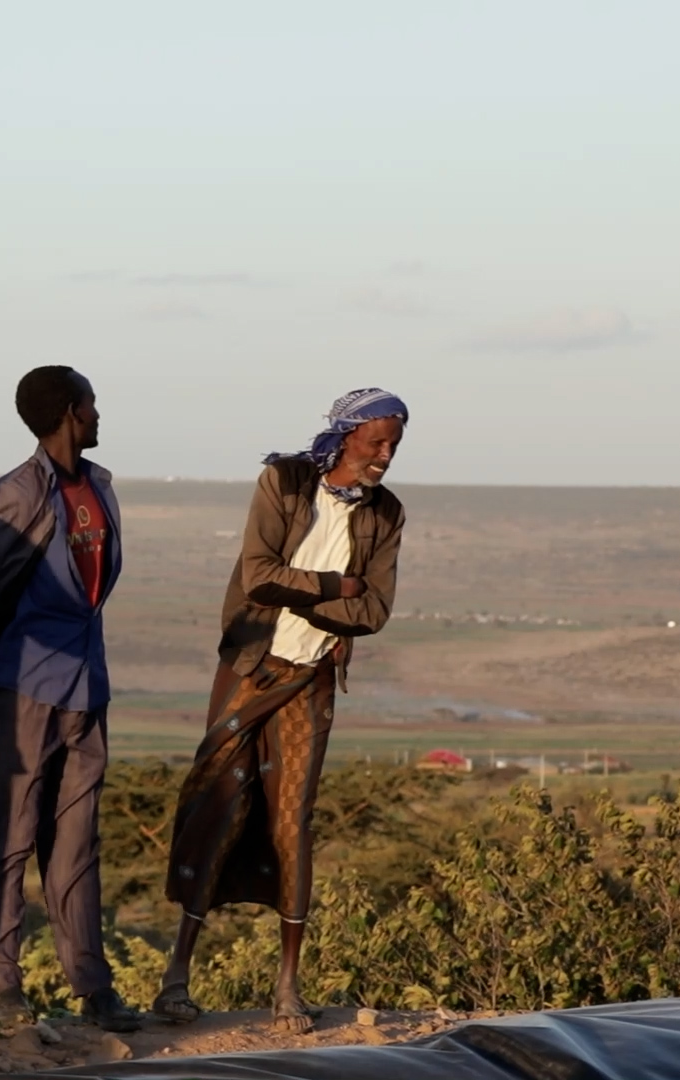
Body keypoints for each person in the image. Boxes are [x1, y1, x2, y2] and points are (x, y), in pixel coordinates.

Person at [153, 388, 409, 1034]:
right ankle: (175, 978)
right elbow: (259, 574)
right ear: (347, 435)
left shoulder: (386, 514)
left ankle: (288, 988)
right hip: (250, 666)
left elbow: (374, 611)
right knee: (218, 800)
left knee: (292, 819)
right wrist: (333, 588)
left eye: (394, 445)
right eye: (376, 441)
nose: (386, 455)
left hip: (311, 678)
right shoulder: (285, 482)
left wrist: (317, 598)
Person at [0, 365, 138, 1032]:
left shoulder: (100, 486)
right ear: (67, 412)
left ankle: (93, 986)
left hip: (88, 682)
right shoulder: (13, 493)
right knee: (9, 836)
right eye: (91, 402)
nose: (98, 413)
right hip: (29, 680)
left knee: (78, 842)